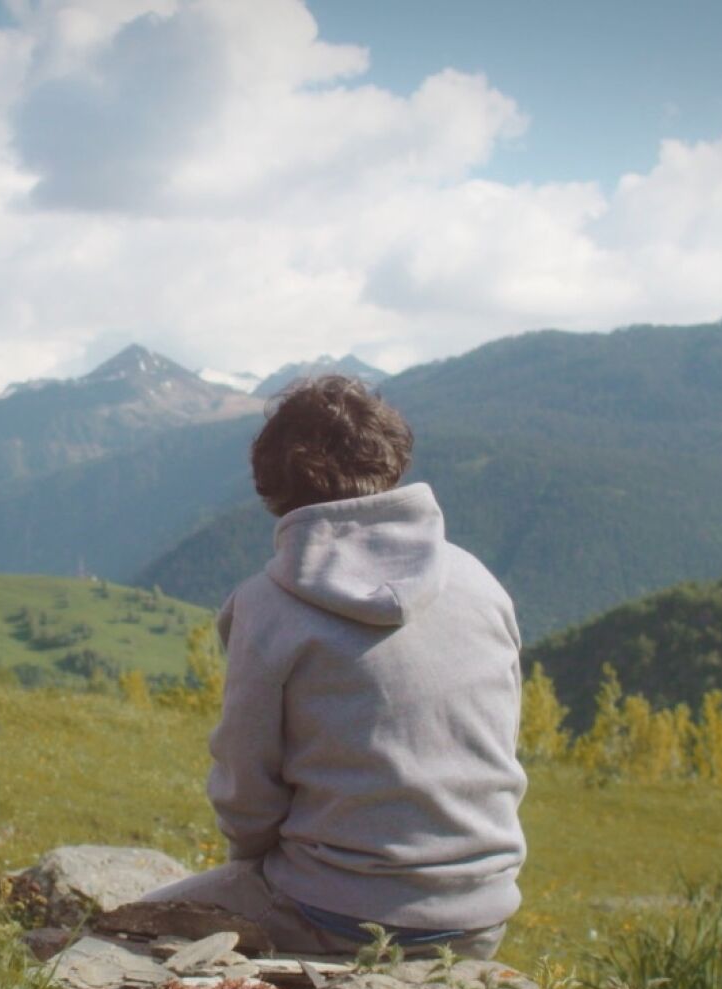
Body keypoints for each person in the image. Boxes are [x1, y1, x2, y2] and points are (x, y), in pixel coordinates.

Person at [144, 375, 526, 959]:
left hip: (334, 915)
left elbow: (247, 795)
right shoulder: (480, 583)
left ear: (273, 484)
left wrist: (254, 869)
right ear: (391, 460)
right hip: (481, 918)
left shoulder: (267, 607)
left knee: (123, 929)